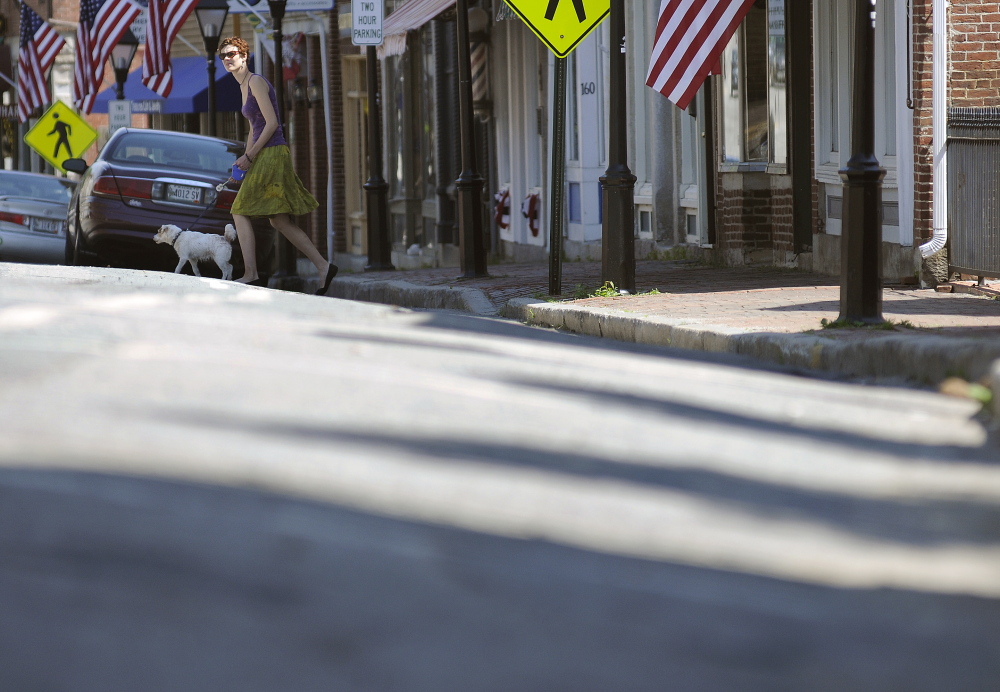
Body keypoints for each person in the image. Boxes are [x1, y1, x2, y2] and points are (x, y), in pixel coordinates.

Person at [218, 36, 337, 294]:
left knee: (240, 209)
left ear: (244, 56)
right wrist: (245, 158)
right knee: (279, 221)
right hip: (264, 153)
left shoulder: (256, 81)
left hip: (273, 153)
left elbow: (272, 124)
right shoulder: (242, 87)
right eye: (224, 56)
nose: (228, 58)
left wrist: (251, 156)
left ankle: (251, 274)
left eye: (232, 53)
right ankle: (324, 267)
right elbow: (254, 127)